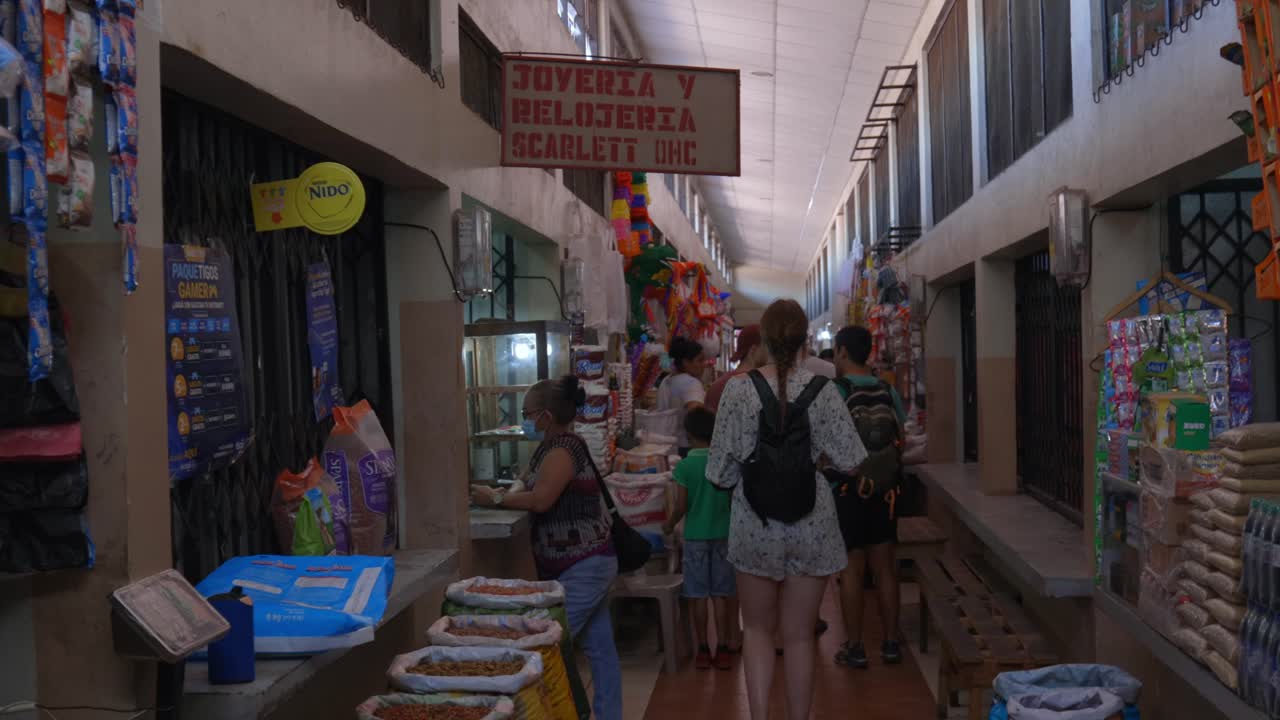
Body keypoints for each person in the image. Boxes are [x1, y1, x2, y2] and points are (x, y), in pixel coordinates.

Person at [708, 299, 866, 720]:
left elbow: (719, 473)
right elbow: (852, 461)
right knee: (799, 637)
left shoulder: (737, 390)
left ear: (762, 339)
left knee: (757, 631)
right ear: (804, 342)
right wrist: (817, 461)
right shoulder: (825, 390)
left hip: (754, 522)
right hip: (812, 521)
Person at [470, 376, 621, 720]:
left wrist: (496, 499)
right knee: (600, 648)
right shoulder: (549, 448)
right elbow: (525, 482)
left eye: (527, 414)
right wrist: (508, 492)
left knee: (547, 645)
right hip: (579, 563)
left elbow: (540, 499)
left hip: (584, 564)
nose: (524, 420)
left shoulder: (564, 450)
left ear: (546, 416)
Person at [828, 325, 907, 669]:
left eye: (836, 351)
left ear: (843, 352)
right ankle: (890, 644)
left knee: (852, 572)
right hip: (886, 492)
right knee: (885, 568)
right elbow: (902, 438)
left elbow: (825, 444)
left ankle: (855, 647)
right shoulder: (888, 390)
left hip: (848, 491)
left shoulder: (835, 391)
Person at [664, 406, 738, 670]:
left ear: (689, 434)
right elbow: (732, 500)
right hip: (723, 536)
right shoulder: (724, 463)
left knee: (697, 596)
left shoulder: (685, 467)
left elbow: (681, 505)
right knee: (720, 594)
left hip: (695, 538)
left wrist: (669, 524)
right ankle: (724, 648)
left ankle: (704, 649)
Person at [656, 336, 706, 456]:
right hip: (686, 447)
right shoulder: (691, 383)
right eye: (700, 361)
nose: (703, 365)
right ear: (686, 362)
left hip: (667, 446)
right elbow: (696, 416)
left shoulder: (666, 381)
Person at [706, 324, 766, 412]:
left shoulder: (717, 385)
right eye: (766, 349)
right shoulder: (758, 387)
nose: (769, 356)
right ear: (753, 350)